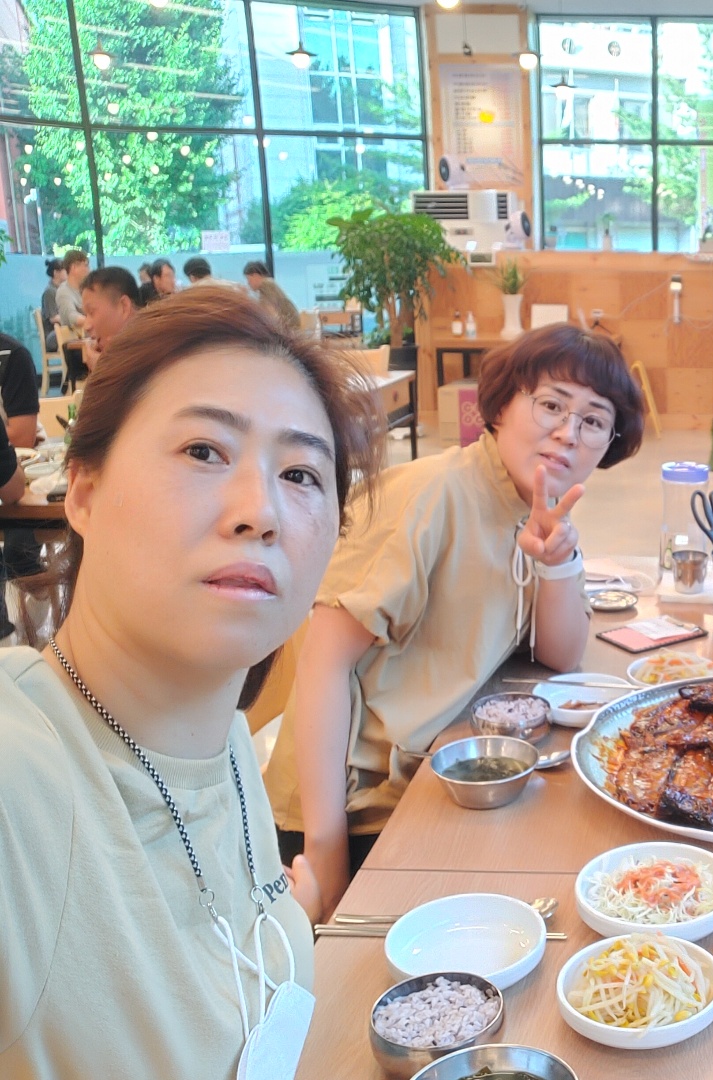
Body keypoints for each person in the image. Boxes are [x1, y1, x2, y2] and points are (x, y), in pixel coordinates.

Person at [0, 289, 385, 1079]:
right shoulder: (21, 776)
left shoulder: (225, 744)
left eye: (301, 473)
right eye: (205, 451)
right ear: (84, 491)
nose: (260, 511)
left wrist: (295, 918)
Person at [265, 323, 645, 919]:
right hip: (356, 814)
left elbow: (561, 656)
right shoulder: (430, 496)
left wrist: (558, 562)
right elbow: (322, 662)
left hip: (442, 776)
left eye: (594, 421)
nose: (569, 433)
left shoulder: (535, 506)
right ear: (501, 406)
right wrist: (327, 852)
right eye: (551, 405)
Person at [80, 266, 141, 356]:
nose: (86, 326)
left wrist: (103, 364)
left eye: (92, 312)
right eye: (85, 315)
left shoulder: (153, 350)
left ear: (124, 306)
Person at [244, 261, 301, 331]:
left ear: (255, 276)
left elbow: (271, 313)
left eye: (248, 279)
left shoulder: (266, 285)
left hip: (288, 329)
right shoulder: (269, 284)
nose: (248, 283)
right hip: (290, 326)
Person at [54, 249, 89, 332]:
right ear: (74, 268)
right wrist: (96, 322)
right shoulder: (63, 292)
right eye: (86, 265)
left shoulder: (87, 289)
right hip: (77, 339)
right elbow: (72, 316)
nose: (88, 270)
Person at [40, 258, 63, 351]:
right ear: (56, 272)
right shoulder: (50, 292)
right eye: (65, 270)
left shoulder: (61, 290)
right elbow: (53, 318)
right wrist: (70, 319)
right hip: (53, 335)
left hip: (60, 330)